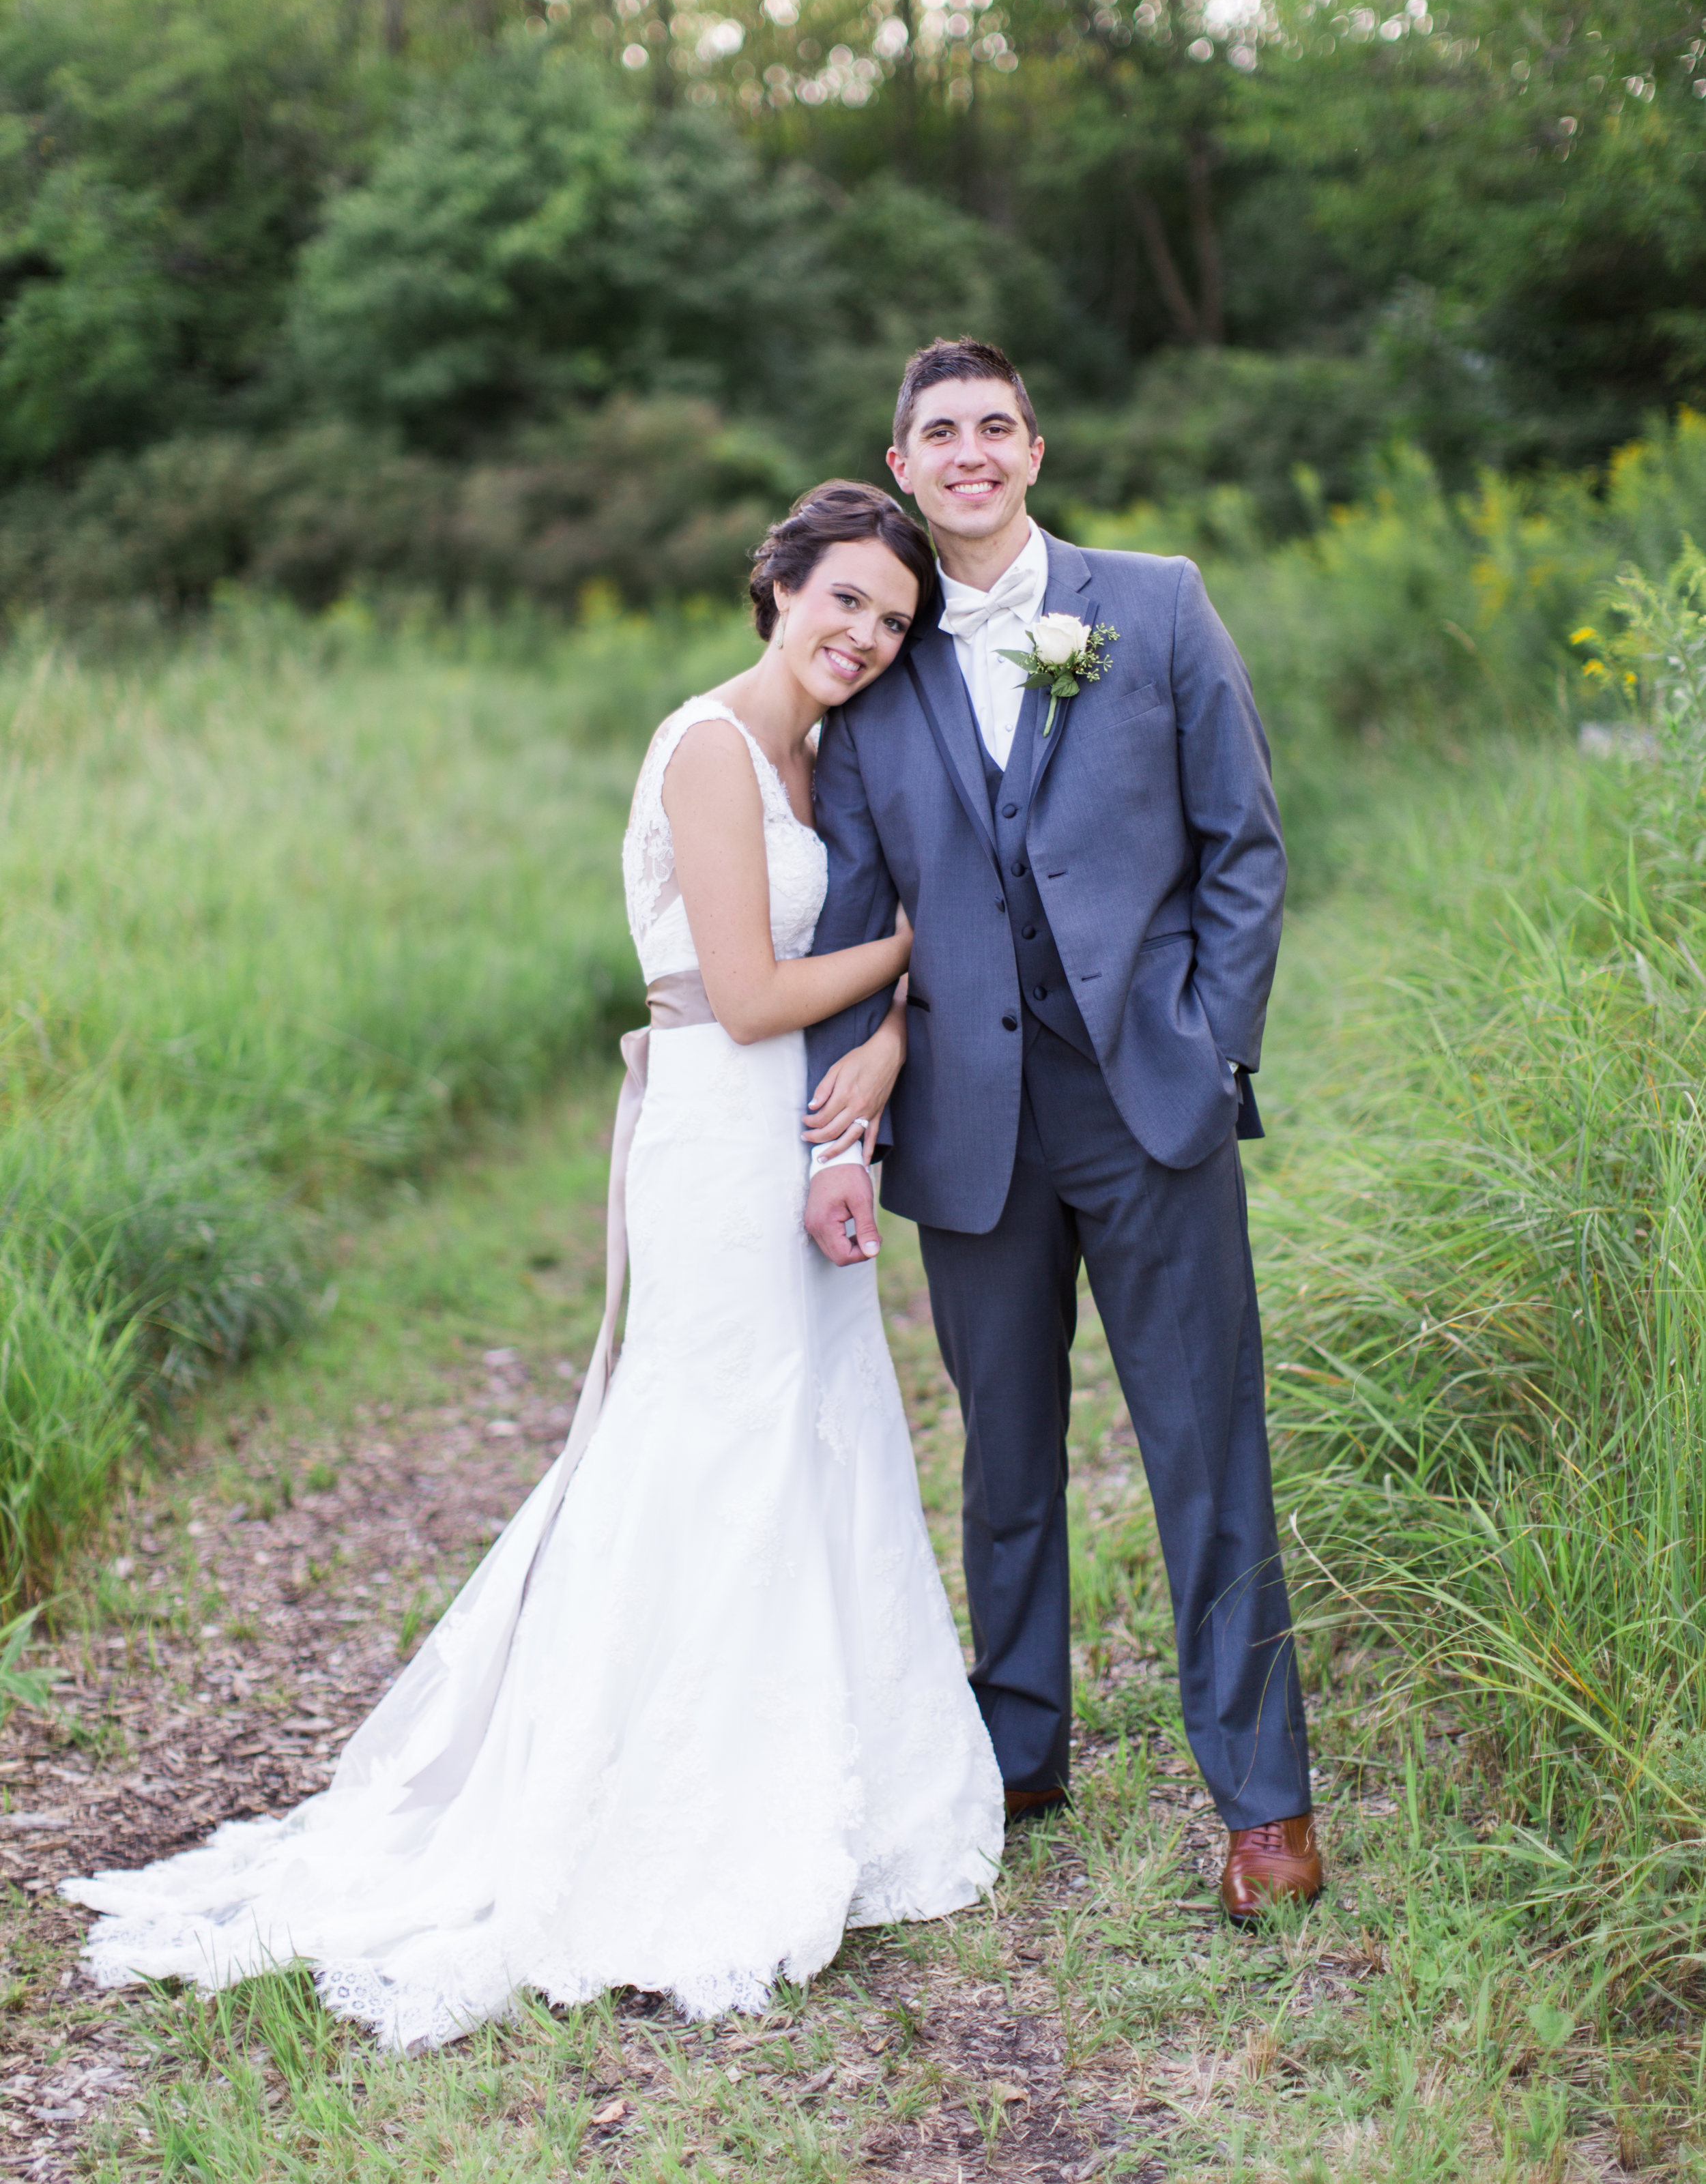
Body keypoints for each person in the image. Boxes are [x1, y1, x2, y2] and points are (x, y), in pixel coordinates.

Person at [62, 482, 1003, 2048]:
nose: (863, 637)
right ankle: (648, 1804)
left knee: (817, 1426)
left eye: (892, 621)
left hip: (810, 1134)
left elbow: (839, 995)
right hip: (717, 1133)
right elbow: (756, 992)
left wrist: (895, 1042)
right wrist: (917, 954)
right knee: (711, 1442)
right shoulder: (705, 745)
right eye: (843, 600)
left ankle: (843, 1776)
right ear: (775, 584)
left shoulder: (827, 755)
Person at [803, 339, 1324, 1921]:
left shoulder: (1151, 603)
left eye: (993, 427)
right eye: (937, 433)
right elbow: (848, 907)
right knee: (1006, 1455)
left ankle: (1260, 1802)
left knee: (1203, 1449)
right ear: (901, 466)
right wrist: (842, 1124)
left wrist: (1206, 1047)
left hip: (1145, 1104)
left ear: (1033, 447)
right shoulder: (872, 660)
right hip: (969, 1124)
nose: (967, 452)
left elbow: (1242, 850)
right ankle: (1015, 1752)